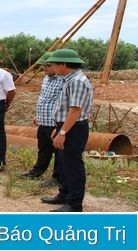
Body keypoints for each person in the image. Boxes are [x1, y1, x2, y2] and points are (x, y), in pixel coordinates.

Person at [40, 49, 93, 212]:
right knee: (64, 163)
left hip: (74, 128)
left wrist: (63, 132)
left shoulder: (76, 81)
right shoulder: (68, 79)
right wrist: (59, 128)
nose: (52, 67)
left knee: (72, 165)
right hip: (66, 126)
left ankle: (74, 204)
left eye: (54, 64)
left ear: (63, 64)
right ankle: (64, 194)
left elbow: (75, 110)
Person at [19, 52, 63, 187]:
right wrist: (38, 115)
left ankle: (58, 177)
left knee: (58, 151)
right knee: (43, 148)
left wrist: (60, 126)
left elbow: (62, 103)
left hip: (54, 122)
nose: (43, 68)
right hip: (44, 120)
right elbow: (44, 99)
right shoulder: (46, 79)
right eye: (43, 65)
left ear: (53, 65)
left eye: (46, 66)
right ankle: (37, 171)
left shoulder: (63, 80)